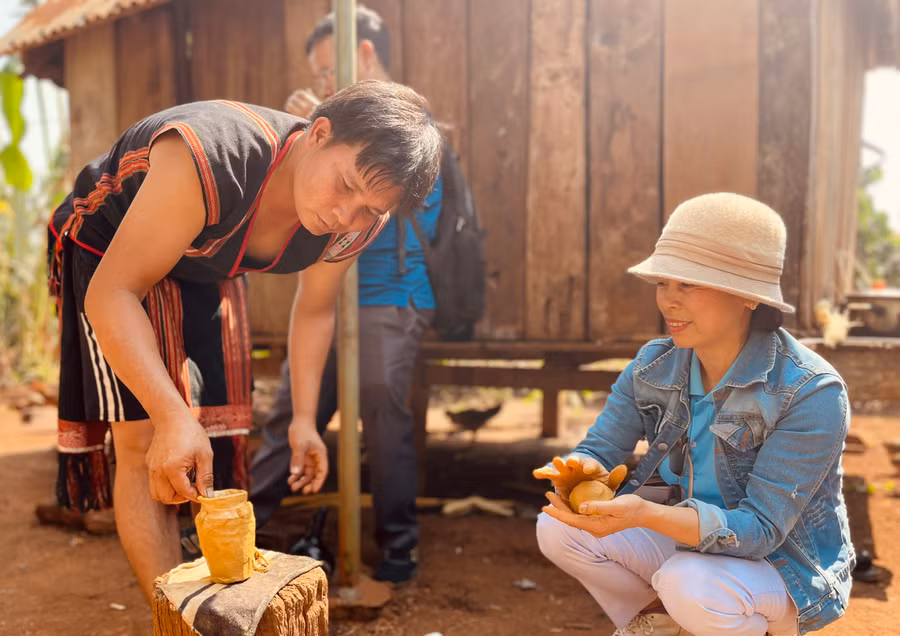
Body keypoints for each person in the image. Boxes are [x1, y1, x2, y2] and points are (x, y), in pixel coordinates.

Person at [48, 80, 441, 601]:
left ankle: (210, 601)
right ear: (319, 133)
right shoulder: (213, 157)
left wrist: (304, 419)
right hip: (110, 255)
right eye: (346, 187)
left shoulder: (355, 223)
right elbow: (113, 294)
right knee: (146, 436)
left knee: (215, 431)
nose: (346, 217)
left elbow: (316, 309)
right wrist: (170, 414)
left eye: (371, 209)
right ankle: (175, 623)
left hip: (209, 264)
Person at [534, 193, 854, 636]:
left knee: (689, 583)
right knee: (559, 529)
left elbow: (760, 530)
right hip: (691, 545)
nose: (668, 301)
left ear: (747, 296)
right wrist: (580, 471)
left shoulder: (810, 392)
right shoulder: (654, 365)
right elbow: (601, 448)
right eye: (663, 283)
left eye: (688, 284)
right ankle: (661, 625)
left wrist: (645, 516)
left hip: (780, 567)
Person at [250, 5, 455, 584]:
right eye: (317, 79)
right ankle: (245, 524)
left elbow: (417, 222)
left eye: (324, 73)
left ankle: (398, 546)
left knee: (380, 408)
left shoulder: (411, 135)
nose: (320, 86)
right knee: (295, 405)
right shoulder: (328, 131)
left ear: (360, 55)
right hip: (327, 297)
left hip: (390, 296)